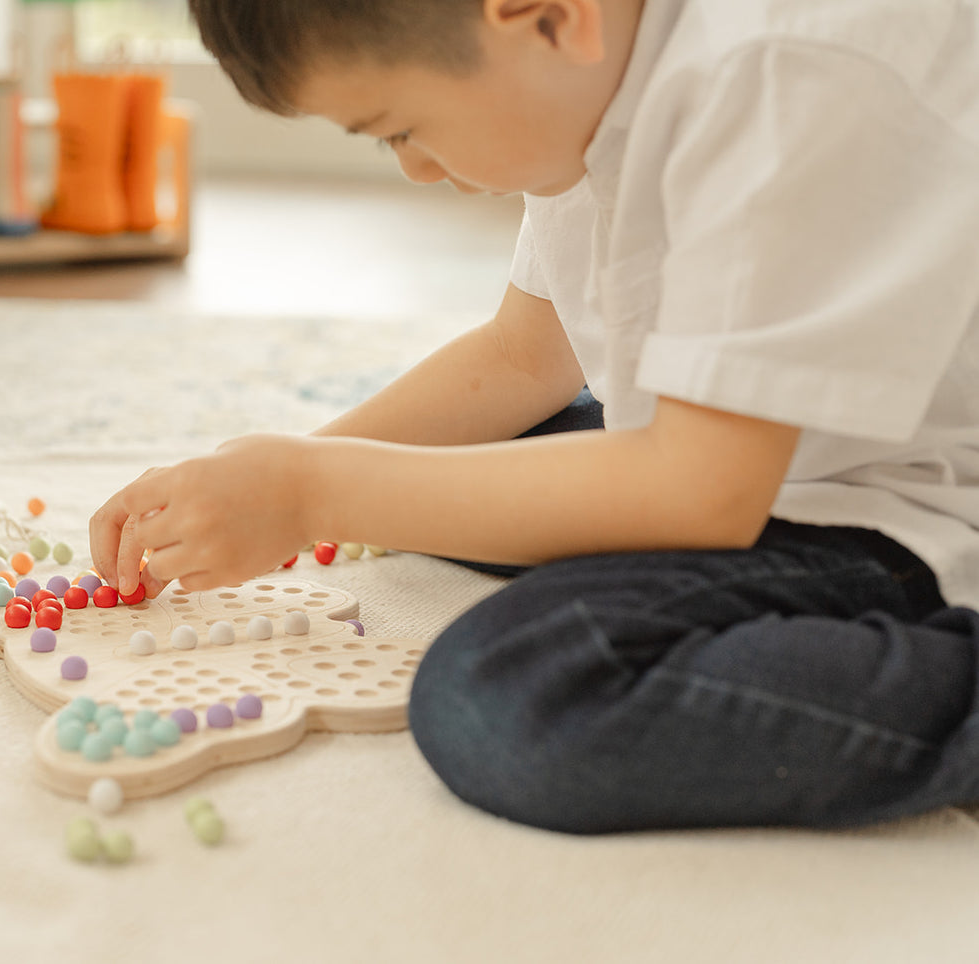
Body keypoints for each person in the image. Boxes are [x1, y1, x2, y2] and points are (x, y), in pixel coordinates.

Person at [89, 0, 979, 833]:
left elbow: (699, 491)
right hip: (754, 449)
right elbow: (524, 357)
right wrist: (274, 479)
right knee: (463, 469)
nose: (415, 166)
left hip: (907, 494)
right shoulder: (587, 70)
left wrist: (310, 490)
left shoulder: (784, 75)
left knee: (509, 692)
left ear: (550, 15)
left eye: (400, 126)